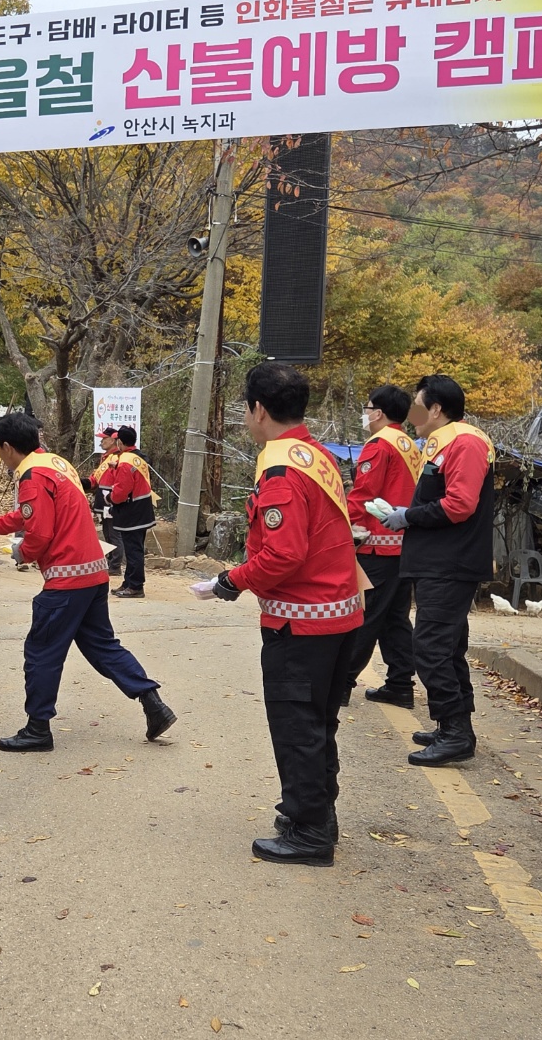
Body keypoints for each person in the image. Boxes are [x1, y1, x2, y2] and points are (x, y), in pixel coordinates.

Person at [210, 363, 363, 866]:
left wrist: (230, 580)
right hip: (339, 613)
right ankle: (316, 812)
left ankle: (310, 831)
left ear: (257, 409)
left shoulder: (278, 468)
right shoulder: (315, 454)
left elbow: (282, 555)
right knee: (318, 722)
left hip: (301, 621)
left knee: (297, 724)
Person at [0, 413, 175, 751]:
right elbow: (30, 514)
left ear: (6, 447)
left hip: (66, 579)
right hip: (93, 573)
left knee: (42, 652)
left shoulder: (32, 476)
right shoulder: (55, 464)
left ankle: (37, 729)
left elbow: (39, 532)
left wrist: (22, 554)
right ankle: (153, 702)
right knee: (103, 646)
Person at [377, 374, 495, 767]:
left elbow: (460, 504)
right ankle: (453, 727)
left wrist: (407, 516)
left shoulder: (466, 443)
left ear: (436, 409)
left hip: (451, 563)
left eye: (415, 406)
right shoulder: (442, 444)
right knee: (446, 647)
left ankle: (455, 730)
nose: (410, 415)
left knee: (429, 647)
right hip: (438, 563)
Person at [342, 385, 419, 709]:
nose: (366, 412)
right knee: (394, 618)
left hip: (379, 544)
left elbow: (363, 494)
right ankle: (400, 683)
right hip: (406, 544)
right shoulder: (409, 444)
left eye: (368, 406)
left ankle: (340, 682)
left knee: (365, 616)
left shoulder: (379, 444)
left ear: (379, 413)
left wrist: (340, 524)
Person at [108, 425, 155, 599]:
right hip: (143, 509)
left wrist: (110, 498)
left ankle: (135, 586)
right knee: (134, 548)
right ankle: (129, 582)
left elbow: (120, 492)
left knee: (133, 550)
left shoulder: (125, 462)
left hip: (132, 512)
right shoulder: (137, 457)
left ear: (119, 441)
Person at [89, 426, 123, 577]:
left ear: (114, 440)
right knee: (108, 531)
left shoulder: (117, 457)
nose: (101, 441)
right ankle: (111, 561)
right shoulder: (107, 457)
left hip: (111, 499)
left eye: (104, 438)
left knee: (114, 532)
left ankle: (115, 564)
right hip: (103, 498)